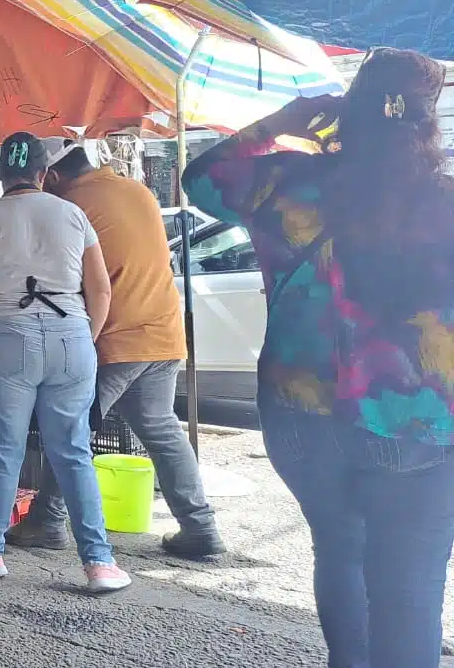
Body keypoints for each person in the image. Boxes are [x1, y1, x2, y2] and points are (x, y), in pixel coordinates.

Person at [183, 47, 454, 668]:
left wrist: (280, 120)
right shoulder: (444, 201)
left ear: (345, 112)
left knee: (339, 551)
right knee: (409, 592)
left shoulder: (286, 183)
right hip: (419, 424)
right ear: (426, 122)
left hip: (303, 419)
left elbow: (199, 178)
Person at [6, 138, 224, 558]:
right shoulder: (136, 190)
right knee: (160, 429)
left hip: (115, 336)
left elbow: (51, 276)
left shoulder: (71, 207)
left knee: (69, 428)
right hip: (163, 333)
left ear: (49, 176)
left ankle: (47, 520)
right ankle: (201, 529)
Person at [0, 131, 132, 592]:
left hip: (6, 338)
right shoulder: (73, 215)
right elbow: (100, 290)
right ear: (43, 174)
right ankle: (99, 562)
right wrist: (85, 338)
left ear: (0, 174)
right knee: (73, 451)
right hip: (72, 335)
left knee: (4, 448)